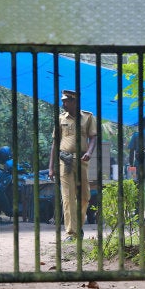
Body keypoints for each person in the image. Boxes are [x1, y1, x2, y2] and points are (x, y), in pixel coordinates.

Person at [48, 90, 97, 242]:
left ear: (74, 101)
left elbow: (93, 137)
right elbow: (55, 143)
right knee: (68, 197)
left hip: (82, 161)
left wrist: (89, 151)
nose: (63, 104)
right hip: (65, 162)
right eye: (63, 101)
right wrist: (51, 167)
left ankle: (78, 228)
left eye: (66, 101)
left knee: (84, 197)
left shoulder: (88, 117)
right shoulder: (61, 118)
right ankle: (71, 232)